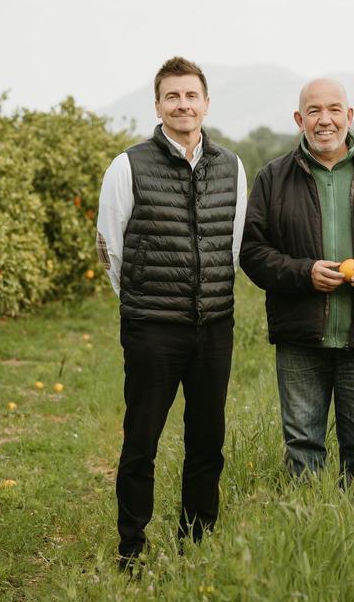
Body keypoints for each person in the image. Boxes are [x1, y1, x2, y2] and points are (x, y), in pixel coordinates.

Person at [95, 56, 247, 571]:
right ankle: (131, 548)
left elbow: (233, 246)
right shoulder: (129, 165)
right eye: (172, 96)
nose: (183, 105)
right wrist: (142, 303)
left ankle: (197, 542)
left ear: (206, 103)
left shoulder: (231, 166)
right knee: (142, 442)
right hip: (152, 329)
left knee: (207, 440)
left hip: (214, 327)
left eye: (191, 95)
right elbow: (110, 249)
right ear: (158, 105)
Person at [240, 78, 354, 491]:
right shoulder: (273, 178)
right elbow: (252, 251)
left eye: (334, 109)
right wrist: (304, 274)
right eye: (315, 111)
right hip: (301, 336)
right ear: (299, 119)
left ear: (349, 116)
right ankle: (308, 533)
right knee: (303, 446)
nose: (326, 120)